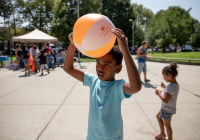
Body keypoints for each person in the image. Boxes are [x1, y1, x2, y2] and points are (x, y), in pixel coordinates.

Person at [63, 28, 141, 140]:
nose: (100, 68)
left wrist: (125, 50)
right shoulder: (93, 81)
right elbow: (68, 68)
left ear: (118, 69)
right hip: (91, 137)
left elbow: (136, 87)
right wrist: (72, 45)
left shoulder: (118, 87)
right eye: (98, 62)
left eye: (107, 64)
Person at [155, 62, 179, 140]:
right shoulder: (175, 84)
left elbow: (166, 100)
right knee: (158, 116)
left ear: (169, 76)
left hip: (167, 109)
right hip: (168, 108)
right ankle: (162, 133)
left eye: (164, 76)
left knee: (168, 126)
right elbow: (170, 93)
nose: (163, 78)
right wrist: (165, 87)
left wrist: (159, 94)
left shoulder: (170, 87)